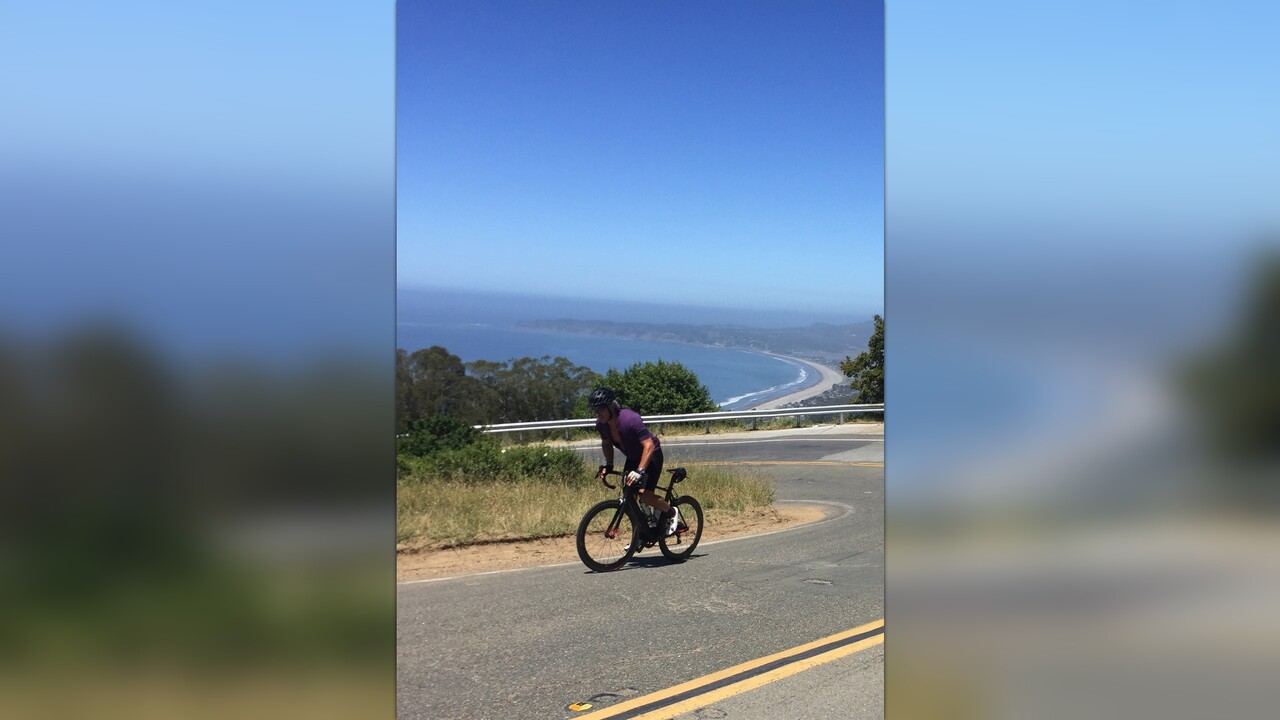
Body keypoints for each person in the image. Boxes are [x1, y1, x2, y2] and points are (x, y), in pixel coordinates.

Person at [588, 387, 680, 537]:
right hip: (633, 457)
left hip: (652, 454)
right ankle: (644, 529)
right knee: (628, 496)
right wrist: (609, 465)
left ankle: (671, 512)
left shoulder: (630, 419)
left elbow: (649, 445)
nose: (598, 414)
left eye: (601, 409)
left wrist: (640, 471)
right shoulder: (601, 424)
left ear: (611, 407)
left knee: (645, 495)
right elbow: (606, 443)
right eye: (595, 410)